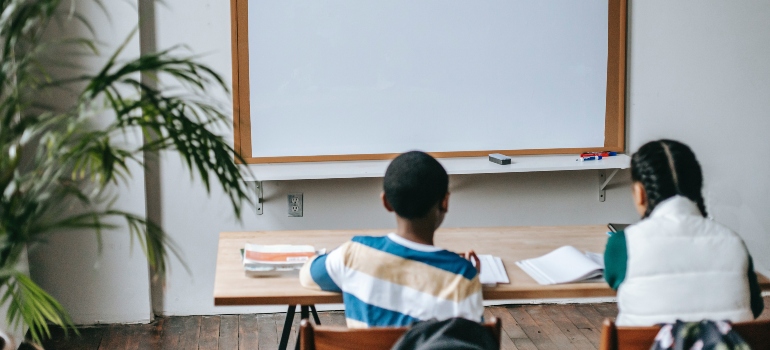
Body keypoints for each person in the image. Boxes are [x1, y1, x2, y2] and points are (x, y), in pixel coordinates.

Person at [299, 151, 483, 328]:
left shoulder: (353, 254)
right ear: (445, 201)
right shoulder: (461, 276)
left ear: (386, 202)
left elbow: (308, 275)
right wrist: (455, 266)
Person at [604, 140, 763, 326]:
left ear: (639, 193)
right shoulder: (732, 241)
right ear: (697, 187)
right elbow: (755, 307)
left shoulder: (624, 243)